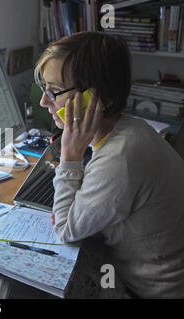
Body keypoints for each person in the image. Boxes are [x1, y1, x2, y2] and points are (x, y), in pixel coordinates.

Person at [34, 31, 184, 298]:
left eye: (54, 91)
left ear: (94, 97)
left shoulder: (121, 159)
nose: (44, 101)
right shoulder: (131, 128)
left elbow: (66, 230)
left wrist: (70, 156)